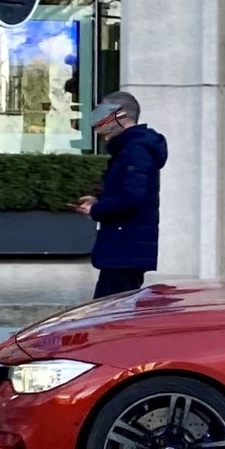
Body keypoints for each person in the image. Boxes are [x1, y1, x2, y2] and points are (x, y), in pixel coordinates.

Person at [76, 91, 165, 297]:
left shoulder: (135, 150)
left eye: (103, 116)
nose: (98, 124)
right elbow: (129, 192)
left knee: (111, 317)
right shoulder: (132, 148)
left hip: (124, 251)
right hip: (124, 250)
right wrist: (98, 201)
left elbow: (131, 199)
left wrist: (96, 209)